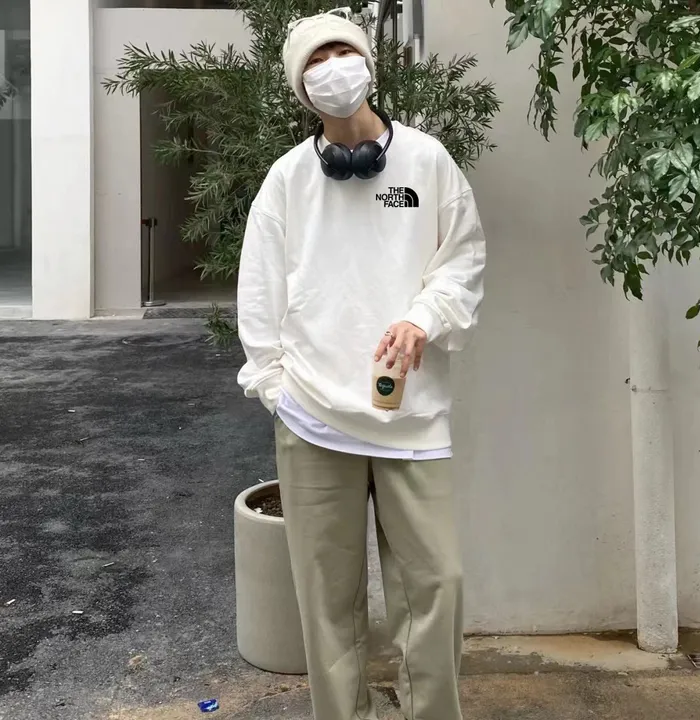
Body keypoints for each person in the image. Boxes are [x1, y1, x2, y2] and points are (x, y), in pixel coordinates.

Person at [236, 9, 486, 720]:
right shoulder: (288, 179)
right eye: (315, 61)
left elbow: (463, 260)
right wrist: (278, 389)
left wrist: (423, 317)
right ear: (300, 87)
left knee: (437, 584)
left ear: (368, 64)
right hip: (314, 418)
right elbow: (259, 291)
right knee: (326, 599)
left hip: (412, 417)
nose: (332, 68)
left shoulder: (427, 162)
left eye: (342, 51)